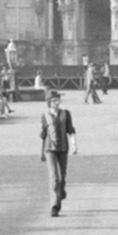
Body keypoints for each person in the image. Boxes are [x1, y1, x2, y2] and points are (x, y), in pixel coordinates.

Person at [39, 89, 77, 217]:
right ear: (49, 102)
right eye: (54, 100)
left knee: (62, 177)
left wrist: (73, 145)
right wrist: (41, 152)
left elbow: (71, 130)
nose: (57, 102)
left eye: (58, 100)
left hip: (63, 149)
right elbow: (43, 136)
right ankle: (54, 206)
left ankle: (61, 191)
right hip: (50, 149)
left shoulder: (66, 114)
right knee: (54, 177)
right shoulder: (45, 116)